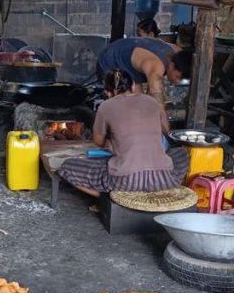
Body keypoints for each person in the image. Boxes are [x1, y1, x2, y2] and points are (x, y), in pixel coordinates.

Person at [59, 69, 188, 200]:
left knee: (67, 167)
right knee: (182, 153)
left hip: (125, 181)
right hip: (162, 178)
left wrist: (110, 142)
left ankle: (105, 200)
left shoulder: (106, 106)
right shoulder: (152, 102)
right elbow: (159, 131)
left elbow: (98, 141)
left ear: (108, 92)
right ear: (132, 85)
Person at [96, 36, 192, 111]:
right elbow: (159, 108)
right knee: (121, 104)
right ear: (172, 65)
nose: (177, 81)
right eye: (177, 77)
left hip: (131, 61)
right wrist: (165, 134)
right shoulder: (156, 69)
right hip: (112, 59)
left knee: (138, 103)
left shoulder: (177, 52)